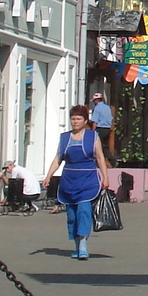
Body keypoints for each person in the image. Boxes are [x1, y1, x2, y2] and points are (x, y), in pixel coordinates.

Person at [42, 105, 110, 259]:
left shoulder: (92, 136)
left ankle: (84, 244)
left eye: (79, 119)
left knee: (84, 211)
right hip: (69, 180)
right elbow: (58, 158)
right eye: (73, 119)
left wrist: (105, 177)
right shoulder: (65, 137)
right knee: (72, 215)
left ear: (85, 120)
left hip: (88, 180)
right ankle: (77, 245)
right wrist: (48, 176)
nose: (75, 121)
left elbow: (100, 157)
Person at [90, 92, 114, 164]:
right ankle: (111, 161)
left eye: (94, 101)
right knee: (105, 146)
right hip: (107, 128)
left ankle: (100, 162)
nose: (94, 102)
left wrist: (93, 131)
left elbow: (95, 121)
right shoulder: (107, 107)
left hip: (100, 129)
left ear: (96, 100)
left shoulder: (97, 108)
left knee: (98, 146)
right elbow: (111, 119)